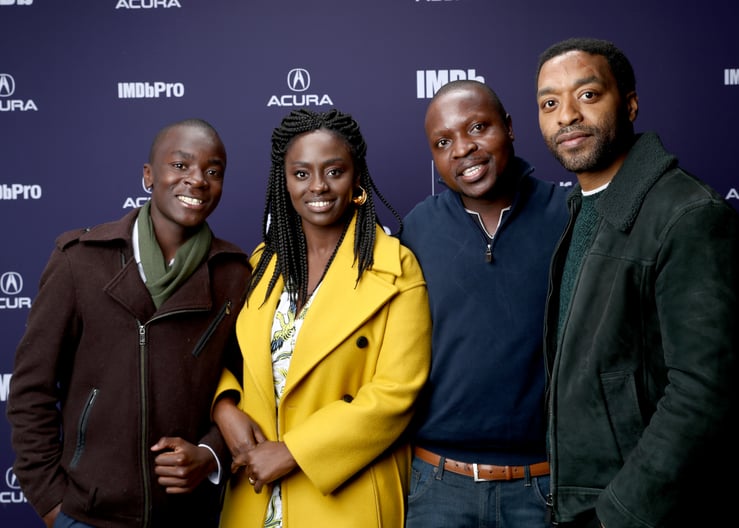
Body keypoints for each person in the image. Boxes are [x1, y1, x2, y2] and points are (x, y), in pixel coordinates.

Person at [535, 37, 739, 527]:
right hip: (581, 504)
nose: (566, 115)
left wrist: (617, 514)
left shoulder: (689, 215)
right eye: (550, 103)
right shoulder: (586, 208)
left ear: (630, 103)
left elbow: (703, 393)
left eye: (587, 95)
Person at [6, 118, 251, 528]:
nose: (197, 180)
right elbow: (32, 389)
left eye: (213, 171)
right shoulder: (79, 261)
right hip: (88, 515)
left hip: (190, 516)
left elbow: (249, 389)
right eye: (181, 165)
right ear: (148, 175)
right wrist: (52, 504)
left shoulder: (235, 275)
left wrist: (209, 454)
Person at [210, 108, 431, 528]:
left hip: (346, 496)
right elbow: (221, 357)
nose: (318, 187)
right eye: (301, 173)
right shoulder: (263, 265)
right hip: (254, 497)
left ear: (357, 179)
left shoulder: (395, 267)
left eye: (334, 171)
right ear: (284, 182)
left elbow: (397, 392)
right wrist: (224, 407)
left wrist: (294, 451)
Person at [400, 79, 569, 527]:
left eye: (478, 127)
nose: (463, 149)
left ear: (510, 128)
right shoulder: (418, 227)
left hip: (545, 484)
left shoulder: (569, 214)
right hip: (437, 484)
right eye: (443, 142)